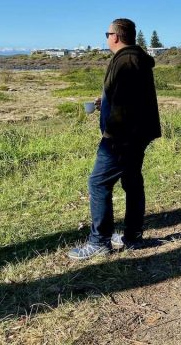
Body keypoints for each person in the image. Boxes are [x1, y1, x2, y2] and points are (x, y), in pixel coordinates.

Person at [68, 18, 161, 260]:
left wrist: (112, 135)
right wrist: (105, 103)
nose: (106, 37)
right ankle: (132, 235)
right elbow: (126, 97)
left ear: (116, 36)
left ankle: (99, 242)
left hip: (122, 137)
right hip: (135, 133)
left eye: (107, 33)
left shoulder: (126, 60)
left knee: (98, 183)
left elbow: (127, 106)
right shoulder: (132, 58)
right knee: (132, 181)